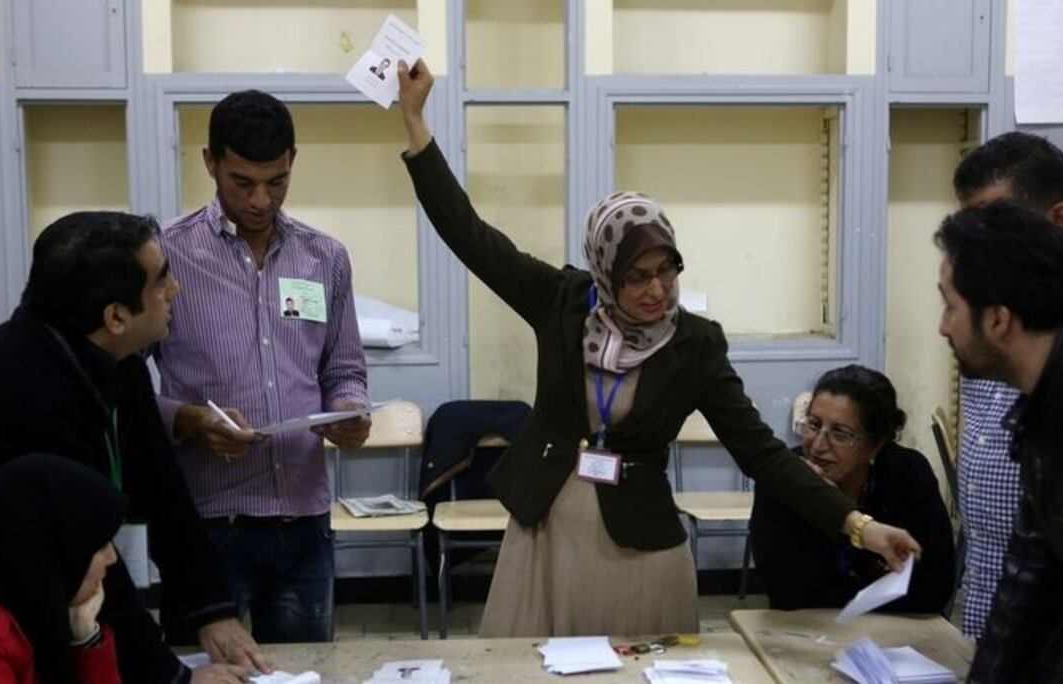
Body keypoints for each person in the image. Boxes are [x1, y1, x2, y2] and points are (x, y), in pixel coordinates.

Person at [394, 59, 920, 637]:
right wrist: (416, 122)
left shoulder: (695, 344)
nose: (656, 290)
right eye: (637, 275)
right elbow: (471, 237)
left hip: (638, 543)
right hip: (546, 528)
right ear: (604, 270)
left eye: (667, 270)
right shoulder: (561, 300)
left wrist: (857, 524)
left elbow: (762, 454)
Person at [0, 212, 266, 683]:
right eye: (161, 279)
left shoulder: (108, 357)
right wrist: (174, 678)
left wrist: (213, 610)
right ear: (117, 316)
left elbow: (162, 485)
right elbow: (90, 555)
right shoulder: (26, 392)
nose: (176, 290)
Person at [154, 89, 370, 644]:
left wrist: (349, 411)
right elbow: (119, 386)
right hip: (209, 524)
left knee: (304, 673)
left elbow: (344, 371)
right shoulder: (165, 255)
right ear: (210, 162)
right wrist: (187, 420)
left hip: (303, 521)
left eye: (276, 182)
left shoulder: (325, 257)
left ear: (292, 160)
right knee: (202, 672)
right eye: (241, 182)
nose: (259, 200)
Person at [936, 200, 1063, 680]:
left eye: (950, 306)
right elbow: (1029, 585)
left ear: (999, 320)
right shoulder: (1050, 400)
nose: (942, 326)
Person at [750, 365, 955, 612]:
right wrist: (821, 502)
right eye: (813, 425)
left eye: (840, 434)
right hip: (807, 631)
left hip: (895, 632)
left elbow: (935, 587)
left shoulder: (908, 472)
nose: (818, 445)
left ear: (876, 443)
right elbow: (786, 592)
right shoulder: (782, 479)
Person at [0, 454, 129, 684]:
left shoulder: (27, 617)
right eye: (99, 545)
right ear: (52, 547)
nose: (111, 558)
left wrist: (87, 637)